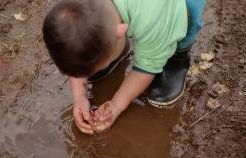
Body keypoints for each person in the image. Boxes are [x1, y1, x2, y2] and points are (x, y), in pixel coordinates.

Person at [42, 0, 206, 133]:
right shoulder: (78, 6)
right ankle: (109, 49)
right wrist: (79, 96)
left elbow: (145, 69)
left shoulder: (152, 19)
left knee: (186, 16)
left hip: (175, 6)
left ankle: (177, 59)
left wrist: (116, 105)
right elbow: (75, 30)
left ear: (121, 31)